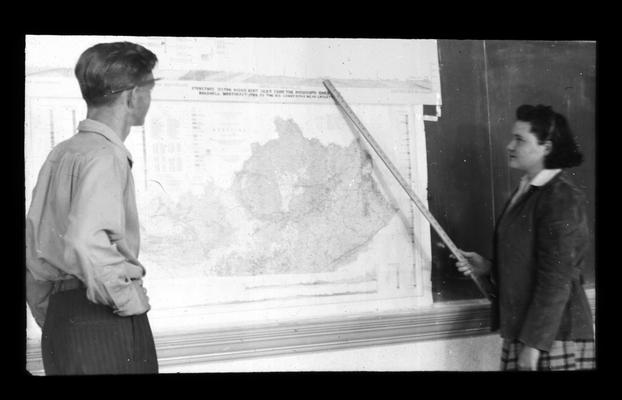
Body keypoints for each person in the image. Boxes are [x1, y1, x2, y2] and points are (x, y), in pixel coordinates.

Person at [25, 41, 160, 375]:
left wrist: (54, 313)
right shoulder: (106, 156)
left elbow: (32, 250)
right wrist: (129, 301)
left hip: (63, 320)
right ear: (132, 96)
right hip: (103, 318)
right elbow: (87, 240)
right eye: (149, 88)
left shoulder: (61, 154)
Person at [455, 104, 595, 371]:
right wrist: (488, 267)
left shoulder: (560, 197)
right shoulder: (529, 190)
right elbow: (529, 265)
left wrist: (533, 346)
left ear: (547, 147)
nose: (509, 145)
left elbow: (556, 280)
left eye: (520, 139)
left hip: (553, 336)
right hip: (530, 332)